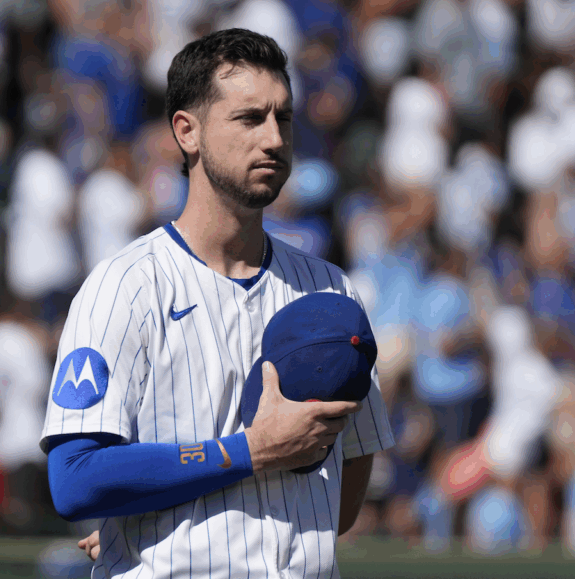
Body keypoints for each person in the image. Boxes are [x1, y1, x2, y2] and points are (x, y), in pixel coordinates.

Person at [42, 28, 394, 579]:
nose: (274, 138)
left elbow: (344, 494)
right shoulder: (125, 286)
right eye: (250, 119)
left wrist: (172, 506)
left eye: (284, 118)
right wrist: (248, 451)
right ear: (188, 132)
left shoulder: (331, 293)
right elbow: (76, 479)